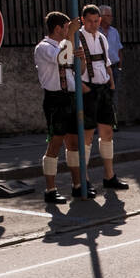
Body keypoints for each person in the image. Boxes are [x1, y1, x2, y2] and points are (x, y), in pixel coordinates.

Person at [77, 3, 128, 191]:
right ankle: (85, 178)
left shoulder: (102, 38)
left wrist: (111, 83)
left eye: (96, 21)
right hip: (87, 89)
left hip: (104, 87)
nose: (94, 24)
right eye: (90, 21)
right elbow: (70, 68)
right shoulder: (77, 38)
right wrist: (82, 87)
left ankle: (109, 175)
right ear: (83, 20)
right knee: (87, 135)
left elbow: (107, 62)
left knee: (107, 132)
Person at [34, 10, 82, 203]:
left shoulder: (65, 44)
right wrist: (71, 35)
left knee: (73, 143)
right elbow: (61, 59)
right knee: (55, 142)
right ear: (57, 28)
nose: (68, 31)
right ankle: (50, 189)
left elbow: (73, 67)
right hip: (55, 98)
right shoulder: (43, 47)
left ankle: (78, 185)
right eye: (65, 28)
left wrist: (80, 58)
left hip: (69, 96)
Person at [99, 5, 123, 104]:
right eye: (108, 16)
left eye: (111, 16)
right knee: (101, 96)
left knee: (114, 95)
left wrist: (120, 67)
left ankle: (114, 117)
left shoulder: (114, 31)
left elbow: (119, 50)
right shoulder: (96, 32)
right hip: (100, 68)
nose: (111, 18)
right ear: (101, 17)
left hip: (114, 68)